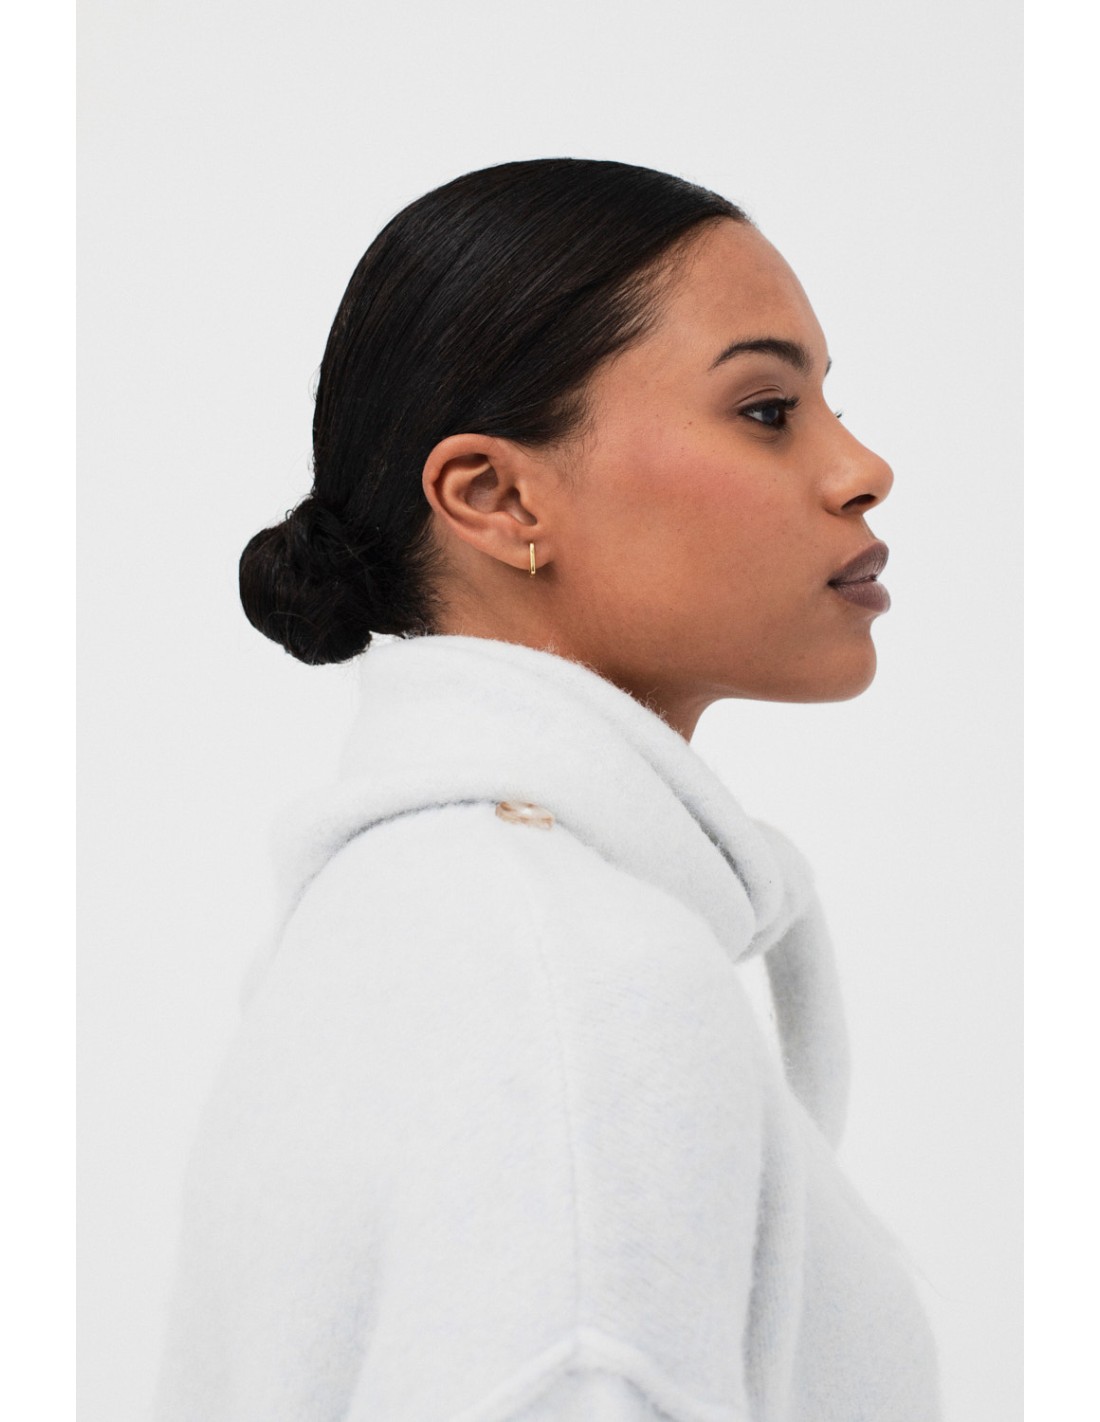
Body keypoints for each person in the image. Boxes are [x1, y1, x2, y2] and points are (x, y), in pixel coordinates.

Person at [151, 158, 942, 1420]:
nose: (861, 469)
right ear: (499, 498)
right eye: (764, 409)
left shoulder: (427, 920)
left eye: (825, 405)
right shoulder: (576, 981)